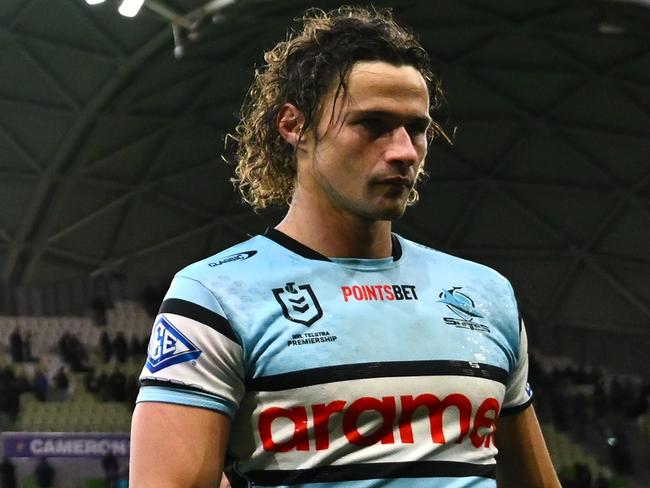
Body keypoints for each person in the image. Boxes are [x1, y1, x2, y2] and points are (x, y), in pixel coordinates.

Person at [130, 6, 560, 487]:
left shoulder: (484, 293)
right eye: (372, 125)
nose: (403, 152)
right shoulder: (216, 295)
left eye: (416, 128)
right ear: (294, 126)